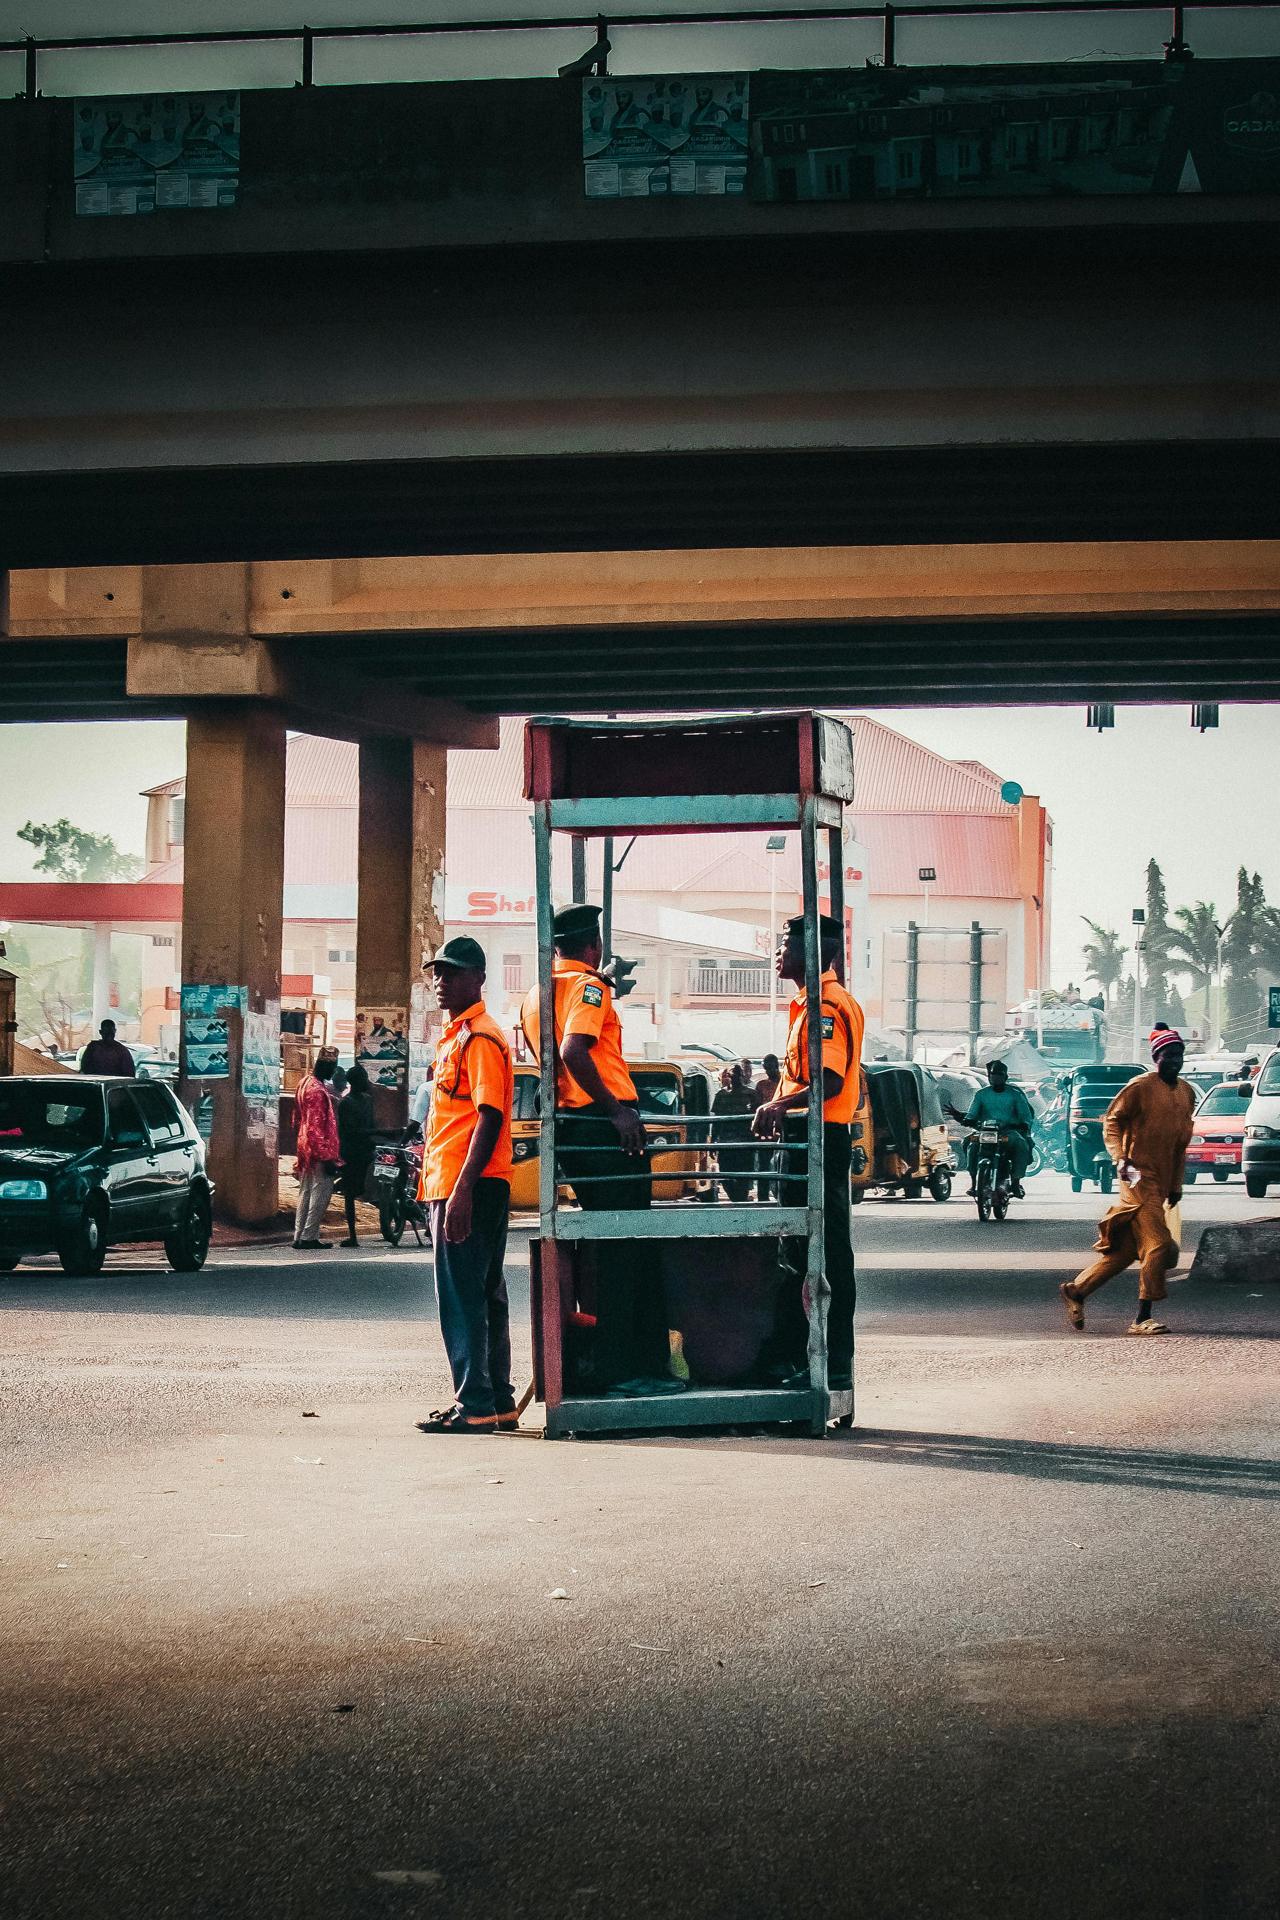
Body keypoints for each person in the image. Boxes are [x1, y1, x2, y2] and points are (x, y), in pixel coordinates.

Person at [520, 903, 667, 1390]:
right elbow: (573, 1050)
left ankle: (613, 1366)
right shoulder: (588, 988)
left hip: (570, 1127)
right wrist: (615, 1110)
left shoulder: (538, 990)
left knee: (607, 1246)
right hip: (602, 1128)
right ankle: (625, 1370)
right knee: (628, 1247)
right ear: (594, 945)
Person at [752, 914, 864, 1395]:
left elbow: (830, 1081)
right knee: (797, 1253)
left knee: (825, 1255)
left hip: (819, 1141)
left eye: (786, 943)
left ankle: (832, 1362)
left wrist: (779, 1104)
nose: (779, 952)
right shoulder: (806, 1004)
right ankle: (796, 1356)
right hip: (803, 1141)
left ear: (814, 952)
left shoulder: (827, 1007)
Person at [416, 937, 517, 1435]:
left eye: (451, 974)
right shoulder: (461, 1036)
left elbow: (490, 1115)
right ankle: (496, 1399)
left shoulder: (479, 1038)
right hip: (470, 1181)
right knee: (483, 1292)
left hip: (467, 1183)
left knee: (461, 1297)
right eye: (437, 973)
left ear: (478, 978)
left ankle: (474, 1403)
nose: (440, 982)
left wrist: (461, 1192)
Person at [1060, 1025, 1195, 1337]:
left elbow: (1180, 1145)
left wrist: (1176, 1184)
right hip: (1136, 1176)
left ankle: (1077, 1290)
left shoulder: (1186, 1092)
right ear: (1156, 1057)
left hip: (1161, 1181)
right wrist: (1120, 1157)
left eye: (1178, 1055)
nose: (1174, 1060)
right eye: (1167, 1055)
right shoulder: (1140, 1086)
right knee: (1160, 1246)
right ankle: (1142, 1317)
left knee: (1125, 1252)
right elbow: (1112, 1121)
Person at [958, 1060, 1035, 1198]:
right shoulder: (981, 1094)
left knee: (1021, 1145)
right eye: (993, 1075)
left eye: (999, 1075)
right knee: (968, 1143)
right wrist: (968, 1120)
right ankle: (974, 1183)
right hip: (985, 1132)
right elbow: (972, 1113)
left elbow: (1025, 1115)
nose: (996, 1078)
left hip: (1008, 1133)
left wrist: (1023, 1124)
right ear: (989, 1077)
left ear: (1005, 1077)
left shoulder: (1015, 1094)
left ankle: (1016, 1182)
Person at [293, 1054, 340, 1249]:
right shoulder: (318, 1091)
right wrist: (326, 1156)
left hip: (304, 1144)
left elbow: (296, 1118)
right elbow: (316, 1126)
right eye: (332, 1067)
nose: (334, 1071)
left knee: (305, 1191)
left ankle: (299, 1235)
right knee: (320, 1192)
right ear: (325, 1066)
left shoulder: (304, 1083)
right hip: (317, 1147)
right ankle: (309, 1236)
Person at [336, 1063, 376, 1247]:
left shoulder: (368, 1099)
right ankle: (352, 1234)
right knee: (350, 1193)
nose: (367, 1082)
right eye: (363, 1079)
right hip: (352, 1152)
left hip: (367, 1149)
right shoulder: (346, 1103)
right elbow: (351, 1131)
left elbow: (371, 1125)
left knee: (361, 1189)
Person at [712, 1063, 757, 1203]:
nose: (736, 1078)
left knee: (743, 1176)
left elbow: (756, 1119)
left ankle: (741, 1200)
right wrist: (713, 1141)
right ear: (729, 1077)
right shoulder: (720, 1095)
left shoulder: (751, 1094)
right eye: (733, 1075)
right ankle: (736, 1199)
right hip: (726, 1142)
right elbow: (716, 1120)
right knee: (725, 1175)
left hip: (745, 1142)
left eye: (739, 1075)